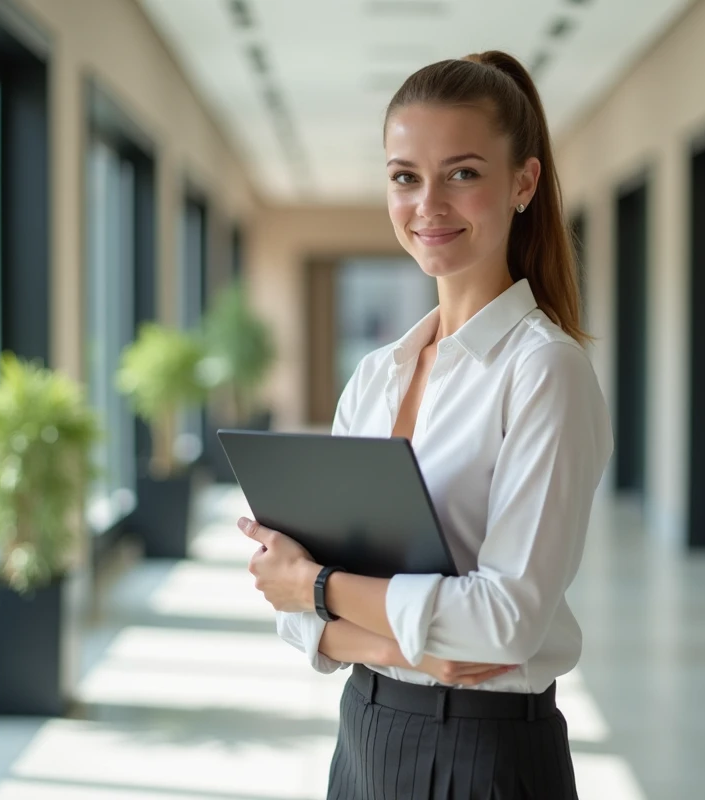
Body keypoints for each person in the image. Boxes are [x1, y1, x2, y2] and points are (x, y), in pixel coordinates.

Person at [238, 50, 613, 800]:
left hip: (485, 753)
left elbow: (505, 620)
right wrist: (412, 643)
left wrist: (318, 585)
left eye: (463, 173)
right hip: (363, 737)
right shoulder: (378, 375)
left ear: (523, 183)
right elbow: (288, 615)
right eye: (406, 175)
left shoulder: (543, 370)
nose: (428, 204)